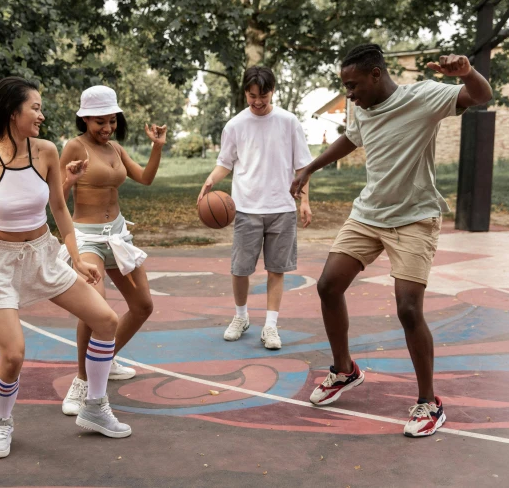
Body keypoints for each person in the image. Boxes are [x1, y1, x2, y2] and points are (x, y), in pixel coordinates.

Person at [0, 77, 132, 459]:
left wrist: (79, 256)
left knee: (106, 320)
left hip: (42, 254)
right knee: (14, 355)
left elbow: (59, 209)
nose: (42, 114)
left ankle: (95, 407)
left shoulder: (47, 151)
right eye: (35, 107)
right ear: (12, 111)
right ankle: (1, 423)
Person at [290, 44, 493, 437]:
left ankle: (429, 403)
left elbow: (481, 96)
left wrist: (467, 72)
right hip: (369, 214)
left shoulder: (424, 96)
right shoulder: (361, 108)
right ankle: (345, 370)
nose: (349, 93)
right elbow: (352, 139)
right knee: (328, 285)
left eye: (352, 85)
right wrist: (310, 167)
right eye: (345, 86)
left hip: (415, 218)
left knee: (408, 309)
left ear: (376, 75)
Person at [57, 85, 167, 415]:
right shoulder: (73, 147)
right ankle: (81, 381)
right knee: (96, 309)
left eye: (112, 121)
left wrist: (157, 147)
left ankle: (103, 360)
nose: (106, 128)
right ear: (85, 119)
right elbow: (56, 200)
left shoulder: (116, 149)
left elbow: (145, 178)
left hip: (117, 236)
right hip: (86, 237)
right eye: (99, 122)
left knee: (143, 306)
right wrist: (70, 179)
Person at [198, 66, 313, 350]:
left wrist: (306, 201)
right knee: (240, 269)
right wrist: (210, 181)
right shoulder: (235, 125)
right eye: (252, 96)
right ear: (245, 93)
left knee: (277, 269)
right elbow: (225, 162)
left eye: (263, 95)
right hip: (246, 208)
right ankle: (241, 317)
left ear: (273, 91)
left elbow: (302, 166)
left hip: (282, 208)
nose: (258, 102)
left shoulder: (288, 121)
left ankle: (271, 326)